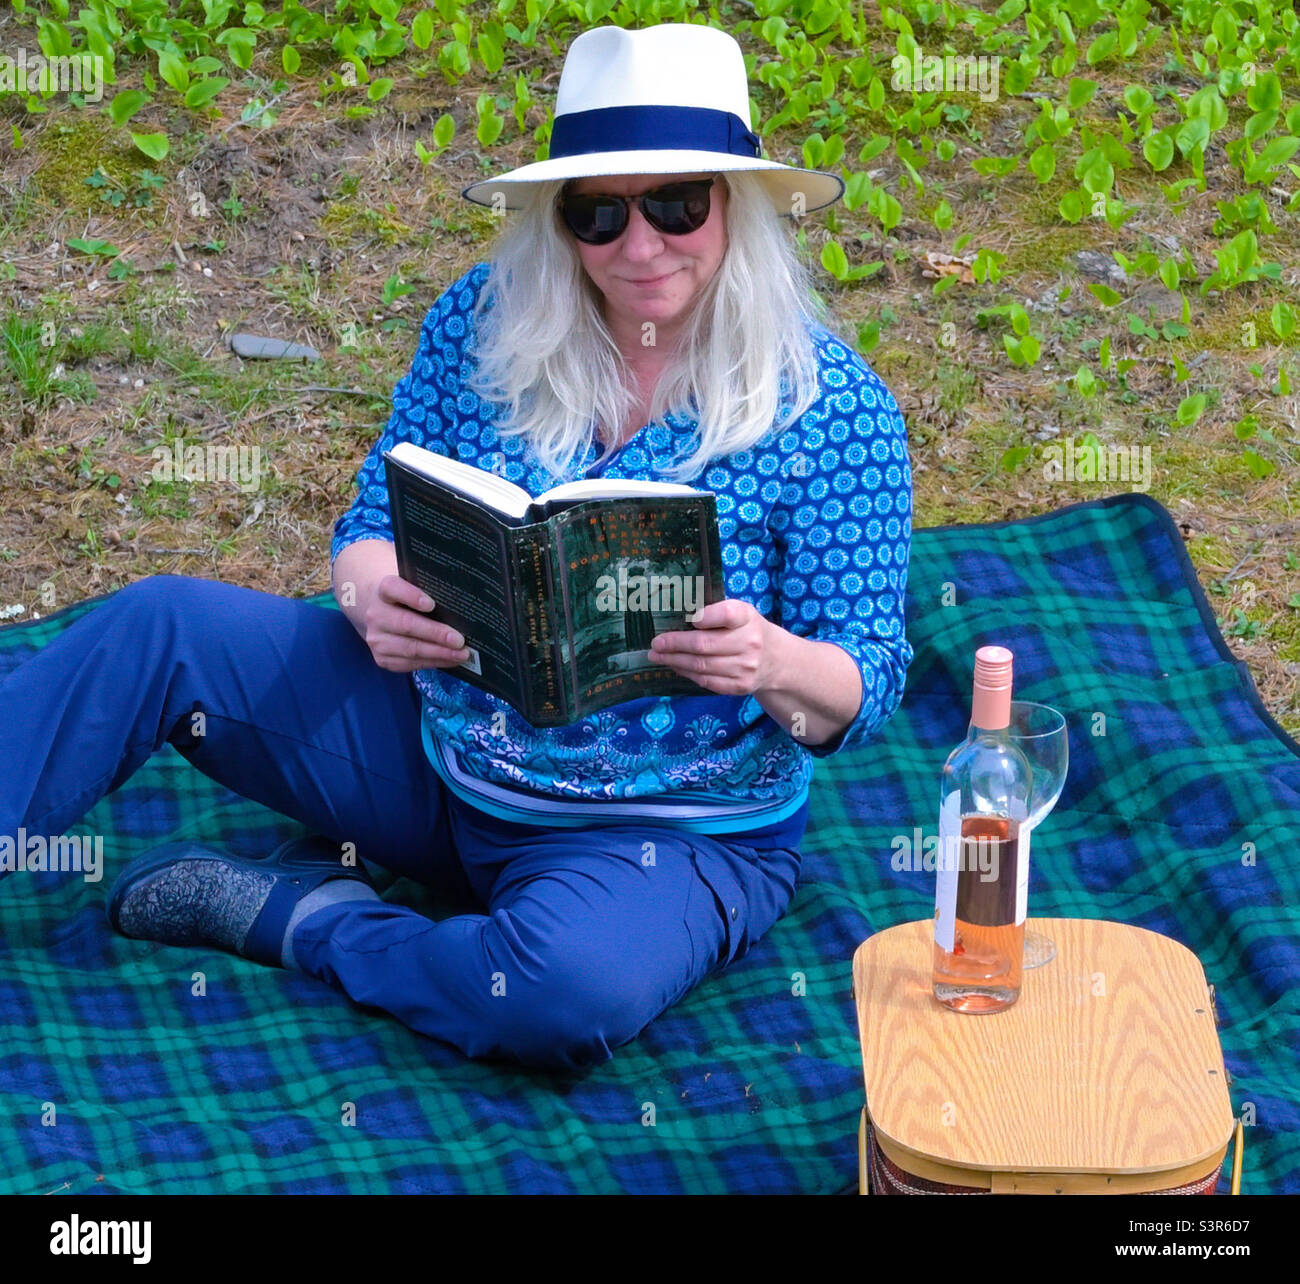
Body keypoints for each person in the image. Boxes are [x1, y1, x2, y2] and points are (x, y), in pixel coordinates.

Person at [0, 23, 913, 1071]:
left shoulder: (832, 407)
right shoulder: (484, 319)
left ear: (736, 206)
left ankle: (305, 920)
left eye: (674, 205)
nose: (639, 246)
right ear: (556, 222)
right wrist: (368, 589)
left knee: (562, 994)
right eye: (597, 214)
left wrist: (773, 663)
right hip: (440, 755)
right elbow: (373, 517)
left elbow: (867, 675)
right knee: (160, 624)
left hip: (664, 833)